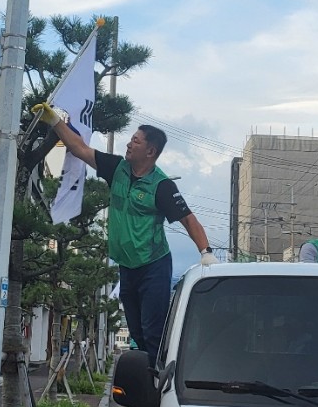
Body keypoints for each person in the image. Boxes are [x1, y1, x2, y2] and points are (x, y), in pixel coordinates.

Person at [32, 102, 217, 367]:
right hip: (127, 266)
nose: (129, 145)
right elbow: (80, 149)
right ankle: (148, 391)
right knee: (138, 335)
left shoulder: (162, 186)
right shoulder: (116, 168)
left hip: (153, 265)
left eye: (135, 141)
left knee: (153, 333)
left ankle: (158, 391)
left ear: (150, 151)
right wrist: (54, 121)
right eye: (131, 139)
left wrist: (205, 253)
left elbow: (188, 219)